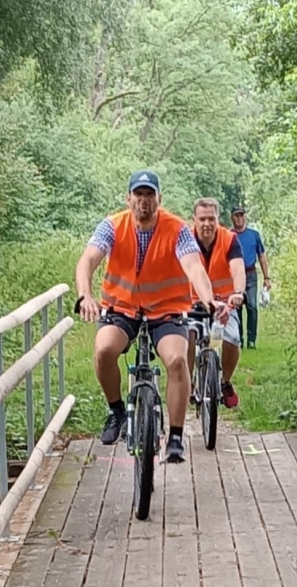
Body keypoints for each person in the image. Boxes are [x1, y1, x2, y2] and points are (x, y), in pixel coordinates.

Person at [74, 169, 227, 464]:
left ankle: (176, 438)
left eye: (149, 194)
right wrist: (85, 295)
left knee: (177, 360)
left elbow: (194, 267)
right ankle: (116, 411)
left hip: (166, 310)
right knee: (104, 349)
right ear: (128, 198)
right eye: (138, 194)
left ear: (159, 199)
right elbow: (88, 260)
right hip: (122, 308)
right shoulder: (112, 226)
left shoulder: (177, 229)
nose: (143, 200)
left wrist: (208, 299)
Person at [188, 198, 246, 408]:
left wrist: (238, 293)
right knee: (187, 335)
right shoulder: (186, 239)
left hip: (224, 303)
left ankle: (225, 381)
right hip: (192, 302)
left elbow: (238, 268)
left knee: (232, 339)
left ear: (218, 219)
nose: (207, 224)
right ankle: (187, 382)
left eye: (211, 219)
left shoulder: (229, 239)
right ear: (194, 219)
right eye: (202, 219)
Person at [230, 206, 271, 349]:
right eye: (236, 216)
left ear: (245, 217)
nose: (239, 218)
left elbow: (262, 256)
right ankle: (239, 339)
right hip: (234, 275)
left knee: (252, 306)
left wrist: (267, 277)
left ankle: (251, 339)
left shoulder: (254, 235)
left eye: (241, 215)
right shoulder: (229, 235)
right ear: (232, 218)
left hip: (250, 274)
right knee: (236, 307)